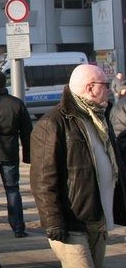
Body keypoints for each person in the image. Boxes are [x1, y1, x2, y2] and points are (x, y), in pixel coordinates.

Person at [31, 64, 126, 267]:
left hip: (98, 221)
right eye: (105, 85)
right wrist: (53, 222)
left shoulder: (99, 119)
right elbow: (42, 181)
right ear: (90, 87)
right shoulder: (53, 123)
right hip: (72, 224)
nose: (110, 90)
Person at [0, 69, 33, 238]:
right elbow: (26, 131)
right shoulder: (16, 103)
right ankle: (18, 227)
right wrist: (28, 155)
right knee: (12, 189)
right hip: (10, 152)